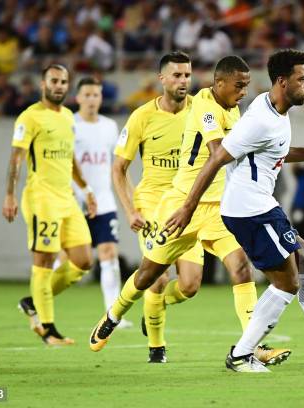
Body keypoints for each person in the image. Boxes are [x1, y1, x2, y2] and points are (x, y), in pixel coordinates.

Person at [89, 53, 289, 365]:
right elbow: (217, 153)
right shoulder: (204, 106)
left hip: (219, 208)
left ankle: (253, 346)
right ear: (219, 83)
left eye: (187, 75)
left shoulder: (234, 110)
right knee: (148, 275)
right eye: (239, 85)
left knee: (238, 268)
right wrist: (132, 210)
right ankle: (114, 314)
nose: (244, 92)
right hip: (181, 203)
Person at [163, 49, 304, 373]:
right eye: (302, 79)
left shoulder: (275, 111)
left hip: (262, 205)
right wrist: (188, 207)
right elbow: (217, 158)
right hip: (249, 209)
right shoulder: (260, 118)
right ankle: (241, 355)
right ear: (281, 81)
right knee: (288, 283)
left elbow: (275, 149)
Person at [2, 64, 97, 346]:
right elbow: (16, 158)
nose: (59, 86)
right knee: (43, 262)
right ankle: (48, 329)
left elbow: (69, 159)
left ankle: (33, 302)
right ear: (43, 85)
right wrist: (9, 195)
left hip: (66, 198)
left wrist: (87, 189)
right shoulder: (29, 118)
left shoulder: (68, 117)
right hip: (41, 198)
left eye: (64, 81)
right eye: (54, 81)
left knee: (83, 261)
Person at [72, 77, 132, 328]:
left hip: (104, 200)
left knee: (108, 253)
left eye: (96, 95)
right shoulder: (70, 125)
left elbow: (119, 165)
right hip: (74, 200)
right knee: (69, 260)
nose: (92, 99)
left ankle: (112, 314)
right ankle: (42, 307)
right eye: (87, 94)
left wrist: (129, 196)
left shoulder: (109, 126)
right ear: (77, 98)